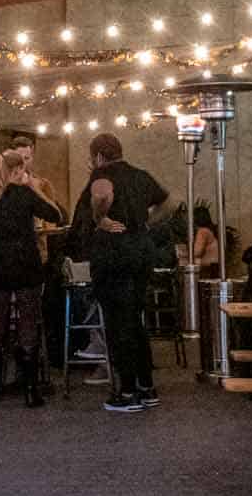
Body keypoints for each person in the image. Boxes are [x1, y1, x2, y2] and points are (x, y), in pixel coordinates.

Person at [75, 133, 176, 413]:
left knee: (119, 324)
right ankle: (147, 387)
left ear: (97, 156)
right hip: (141, 253)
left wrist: (99, 218)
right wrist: (144, 223)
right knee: (136, 320)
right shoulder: (140, 175)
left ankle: (127, 391)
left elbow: (102, 193)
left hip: (113, 256)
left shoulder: (102, 173)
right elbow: (169, 203)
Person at [0, 148, 64, 407]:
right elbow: (56, 215)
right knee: (28, 324)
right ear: (16, 171)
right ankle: (31, 391)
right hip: (26, 267)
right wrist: (34, 189)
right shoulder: (25, 194)